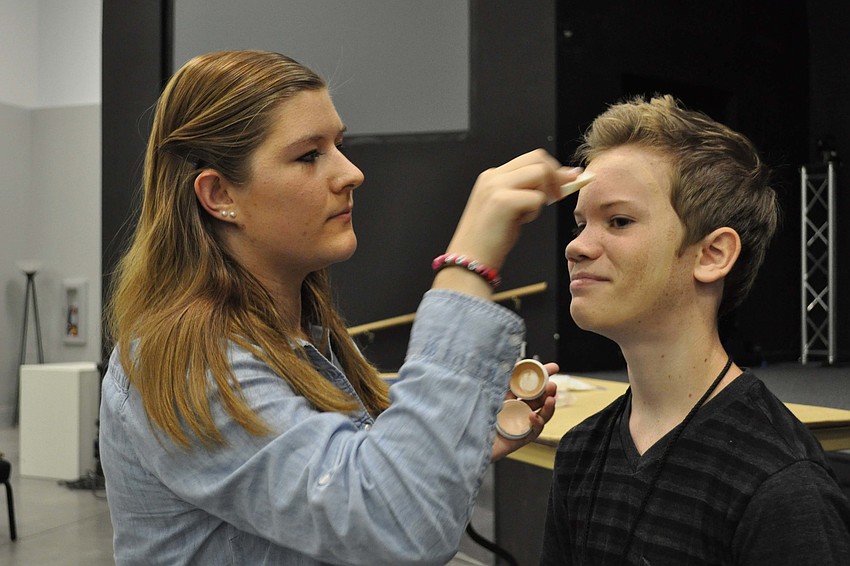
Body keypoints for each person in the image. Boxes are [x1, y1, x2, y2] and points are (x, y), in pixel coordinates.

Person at [99, 49, 576, 566]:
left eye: (339, 146)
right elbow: (394, 524)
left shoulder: (300, 336)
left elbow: (354, 474)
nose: (352, 173)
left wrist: (453, 435)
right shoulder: (189, 363)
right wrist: (467, 266)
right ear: (219, 195)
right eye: (309, 155)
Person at [540, 95, 850, 565]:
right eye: (581, 224)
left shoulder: (781, 484)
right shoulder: (580, 451)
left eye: (618, 221)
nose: (577, 247)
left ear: (712, 255)